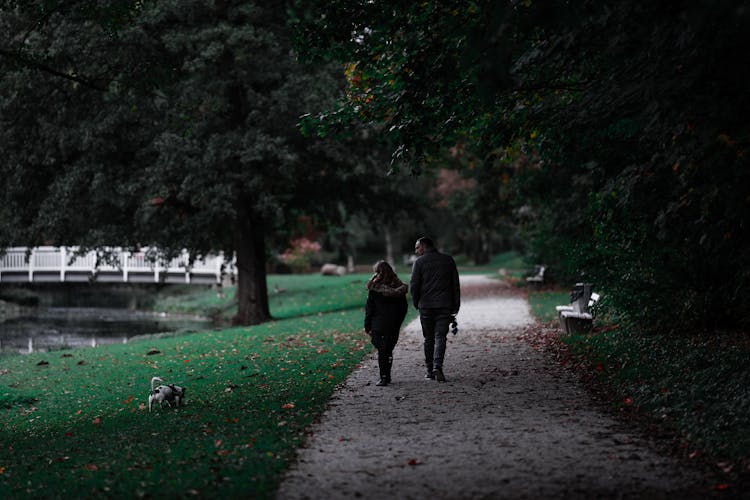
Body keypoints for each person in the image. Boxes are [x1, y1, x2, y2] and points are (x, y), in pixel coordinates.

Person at [409, 236, 460, 382]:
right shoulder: (448, 260)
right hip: (444, 305)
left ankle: (430, 370)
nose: (416, 251)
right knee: (440, 337)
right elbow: (455, 285)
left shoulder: (419, 263)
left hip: (426, 306)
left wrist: (416, 302)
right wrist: (456, 305)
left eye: (417, 248)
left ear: (424, 247)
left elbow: (414, 286)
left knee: (428, 338)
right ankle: (438, 366)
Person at [364, 260, 409, 386]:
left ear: (378, 273)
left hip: (378, 325)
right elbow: (403, 309)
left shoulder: (374, 289)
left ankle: (384, 377)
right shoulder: (399, 289)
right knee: (387, 350)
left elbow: (369, 309)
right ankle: (385, 376)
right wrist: (398, 322)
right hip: (393, 325)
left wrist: (367, 326)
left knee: (383, 350)